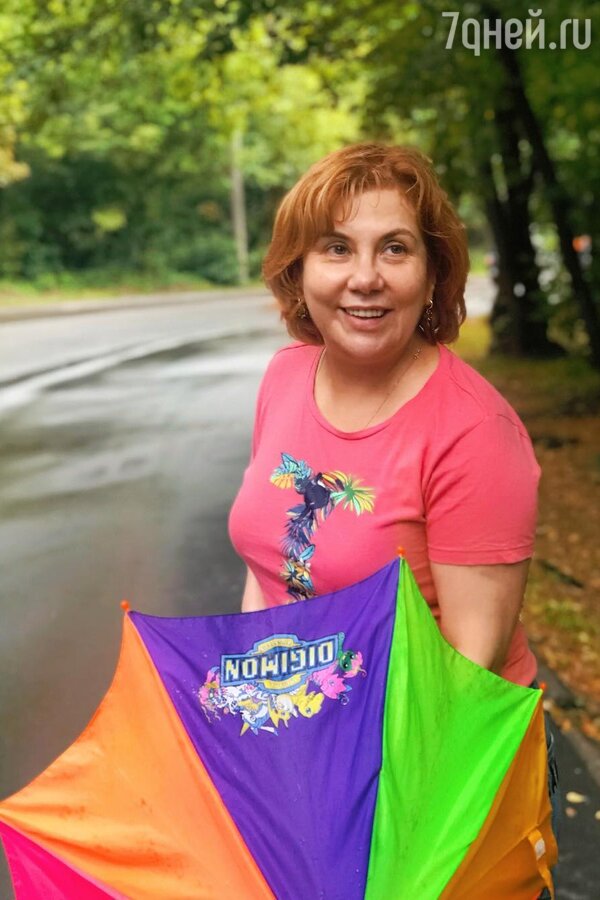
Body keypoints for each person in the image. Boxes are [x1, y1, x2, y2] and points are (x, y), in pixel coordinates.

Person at [227, 142, 560, 853]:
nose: (365, 278)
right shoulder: (286, 377)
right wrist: (258, 712)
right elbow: (270, 570)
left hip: (434, 767)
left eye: (395, 249)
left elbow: (468, 672)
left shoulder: (474, 431)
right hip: (305, 741)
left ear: (433, 273)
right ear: (298, 270)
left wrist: (347, 790)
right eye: (336, 248)